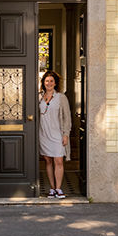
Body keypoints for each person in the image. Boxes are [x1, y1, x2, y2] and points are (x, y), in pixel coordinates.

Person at [38, 70, 71, 199]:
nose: (49, 83)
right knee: (48, 160)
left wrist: (66, 134)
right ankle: (52, 188)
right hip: (43, 133)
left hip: (57, 133)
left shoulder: (61, 97)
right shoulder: (39, 96)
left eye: (51, 81)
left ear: (55, 83)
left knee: (58, 160)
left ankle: (59, 188)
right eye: (47, 81)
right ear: (43, 83)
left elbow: (67, 118)